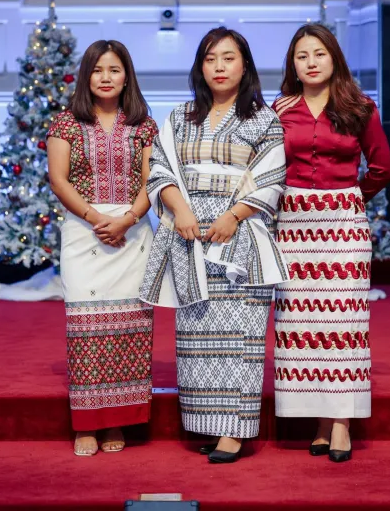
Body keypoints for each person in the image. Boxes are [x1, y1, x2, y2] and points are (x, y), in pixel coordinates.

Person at [140, 27, 289, 464]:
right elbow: (160, 169)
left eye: (228, 58)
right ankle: (210, 423)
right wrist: (180, 210)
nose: (219, 67)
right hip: (188, 234)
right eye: (210, 59)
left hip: (240, 234)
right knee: (197, 337)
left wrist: (233, 215)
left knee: (242, 337)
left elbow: (272, 176)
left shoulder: (264, 119)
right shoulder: (180, 116)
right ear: (200, 67)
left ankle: (234, 431)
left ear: (245, 65)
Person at [272, 23, 390, 462]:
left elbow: (383, 168)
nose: (311, 62)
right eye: (302, 55)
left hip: (343, 226)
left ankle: (340, 421)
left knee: (343, 328)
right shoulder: (280, 109)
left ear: (334, 58)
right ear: (293, 64)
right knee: (300, 328)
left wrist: (350, 198)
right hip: (293, 227)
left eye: (319, 53)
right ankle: (318, 422)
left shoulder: (361, 107)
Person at [47, 40, 158, 456]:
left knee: (129, 329)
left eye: (114, 69)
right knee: (86, 329)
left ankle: (118, 420)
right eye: (97, 70)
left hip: (132, 233)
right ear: (86, 76)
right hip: (84, 232)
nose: (106, 77)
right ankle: (88, 423)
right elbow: (59, 180)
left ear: (127, 76)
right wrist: (97, 218)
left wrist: (127, 219)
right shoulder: (65, 123)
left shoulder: (144, 125)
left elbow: (152, 181)